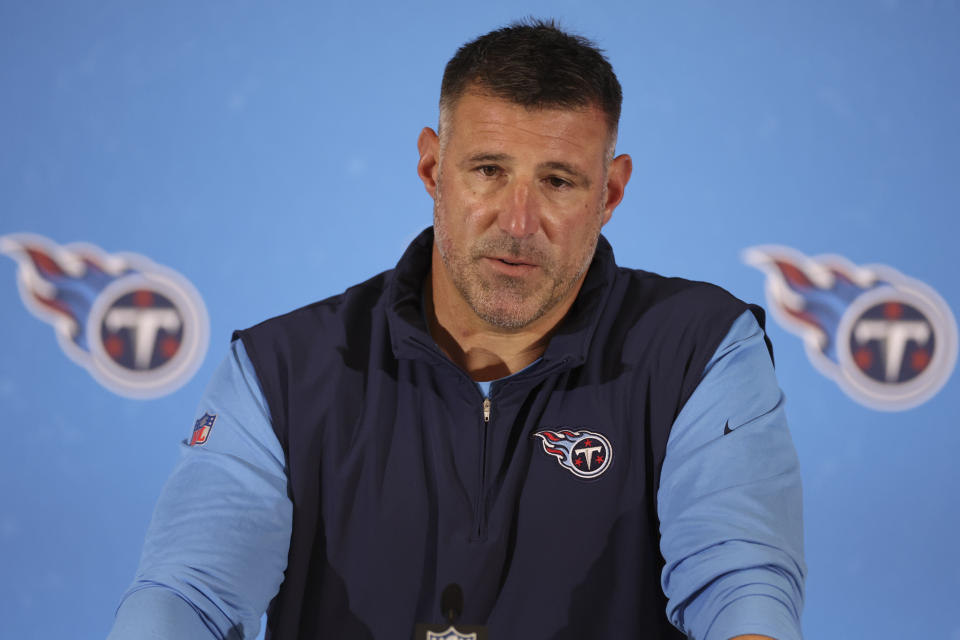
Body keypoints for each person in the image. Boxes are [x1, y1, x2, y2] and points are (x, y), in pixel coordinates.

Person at [109, 19, 805, 640]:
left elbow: (740, 584)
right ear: (432, 167)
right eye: (488, 172)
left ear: (610, 192)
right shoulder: (281, 371)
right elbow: (188, 593)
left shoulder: (701, 350)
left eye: (558, 180)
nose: (519, 222)